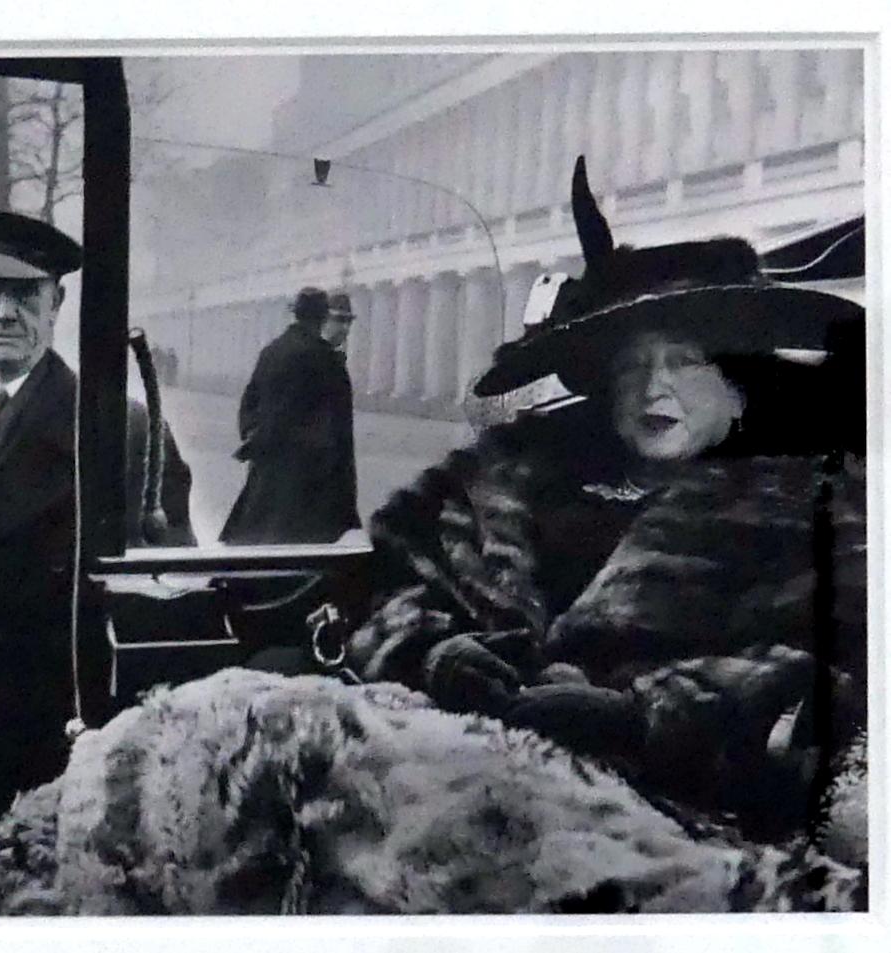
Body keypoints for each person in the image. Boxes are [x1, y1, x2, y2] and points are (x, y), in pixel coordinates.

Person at [345, 157, 866, 847]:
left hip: (680, 829)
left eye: (683, 360)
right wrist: (436, 655)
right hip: (458, 786)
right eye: (630, 366)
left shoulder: (813, 508)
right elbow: (388, 594)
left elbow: (836, 683)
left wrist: (638, 718)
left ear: (737, 375)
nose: (654, 388)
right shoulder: (500, 484)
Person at [0, 209, 195, 849]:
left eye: (25, 295)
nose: (4, 313)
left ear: (57, 305)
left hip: (58, 730)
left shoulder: (121, 433)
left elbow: (166, 591)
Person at [220, 287, 360, 544]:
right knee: (304, 549)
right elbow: (340, 432)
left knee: (258, 538)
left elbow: (249, 403)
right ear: (323, 318)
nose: (345, 329)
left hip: (268, 471)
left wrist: (253, 437)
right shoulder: (325, 361)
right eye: (339, 320)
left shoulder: (272, 351)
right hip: (312, 480)